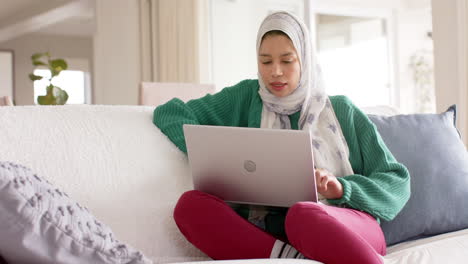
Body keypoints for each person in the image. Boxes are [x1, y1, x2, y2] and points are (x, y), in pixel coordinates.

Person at [153, 11, 410, 264]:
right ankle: (291, 258)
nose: (275, 71)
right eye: (265, 62)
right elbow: (170, 113)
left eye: (287, 61)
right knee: (190, 207)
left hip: (344, 224)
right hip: (272, 234)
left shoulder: (341, 110)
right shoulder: (245, 97)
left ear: (305, 60)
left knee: (302, 215)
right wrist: (207, 153)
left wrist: (342, 188)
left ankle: (310, 250)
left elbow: (397, 182)